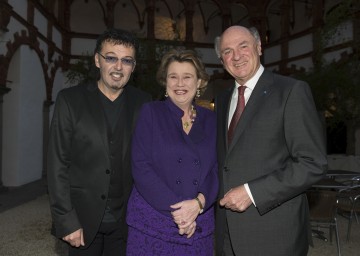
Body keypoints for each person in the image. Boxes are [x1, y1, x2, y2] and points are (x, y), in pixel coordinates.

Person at [214, 25, 328, 256]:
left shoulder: (291, 91)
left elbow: (312, 163)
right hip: (226, 234)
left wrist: (252, 192)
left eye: (243, 46)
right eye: (227, 51)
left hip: (275, 234)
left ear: (258, 46)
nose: (236, 56)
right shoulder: (223, 99)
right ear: (221, 59)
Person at [47, 28, 151, 256]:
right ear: (97, 60)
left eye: (126, 61)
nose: (118, 67)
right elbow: (57, 165)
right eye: (111, 58)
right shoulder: (70, 101)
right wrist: (66, 221)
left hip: (127, 224)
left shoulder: (144, 104)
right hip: (81, 223)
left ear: (133, 67)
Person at [126, 49, 219, 255]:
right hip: (152, 223)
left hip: (199, 223)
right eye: (173, 77)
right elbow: (141, 167)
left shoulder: (212, 120)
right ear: (165, 82)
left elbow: (217, 168)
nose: (180, 83)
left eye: (187, 77)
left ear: (200, 82)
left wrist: (198, 204)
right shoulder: (150, 113)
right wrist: (181, 214)